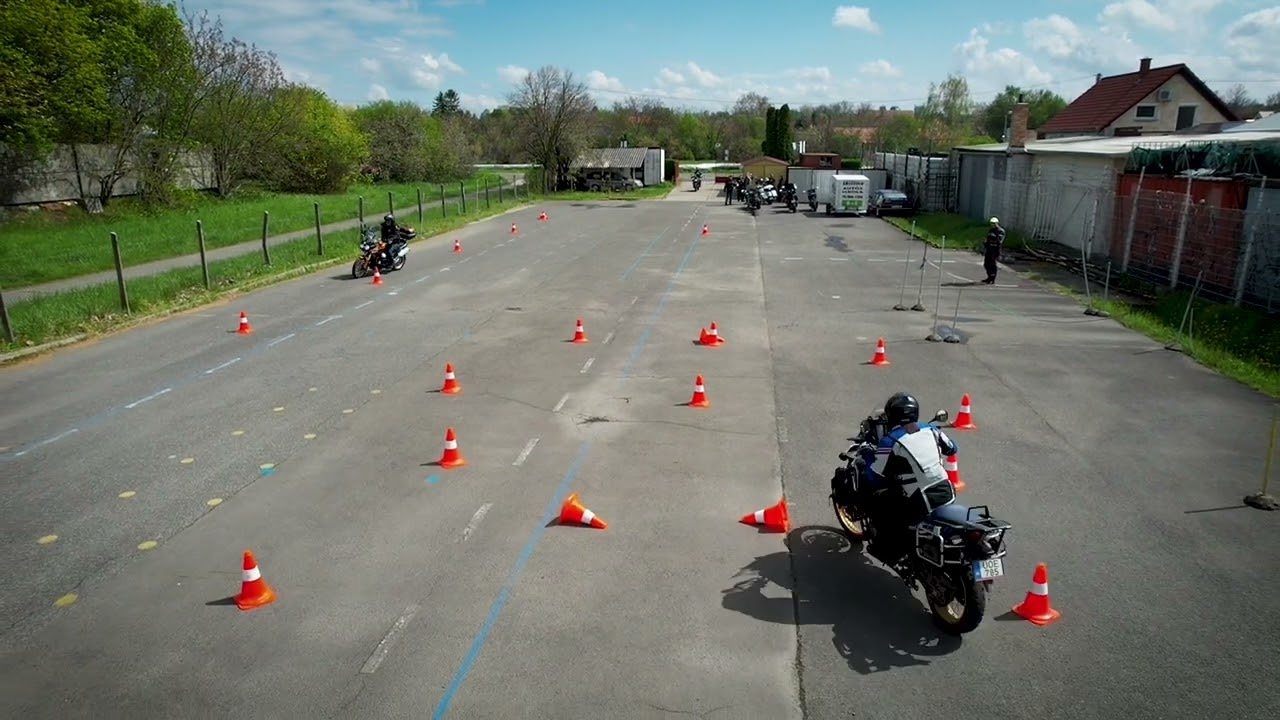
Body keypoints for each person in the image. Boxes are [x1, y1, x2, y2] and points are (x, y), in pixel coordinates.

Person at [855, 392, 959, 565]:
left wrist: (866, 455)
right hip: (947, 491)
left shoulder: (890, 441)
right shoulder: (932, 429)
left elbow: (874, 474)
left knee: (880, 505)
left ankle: (888, 551)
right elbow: (952, 448)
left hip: (920, 499)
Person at [982, 217, 1005, 284]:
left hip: (995, 249)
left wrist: (993, 237)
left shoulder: (1001, 231)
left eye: (994, 223)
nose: (992, 225)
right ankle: (989, 276)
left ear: (997, 223)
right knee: (986, 264)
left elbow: (999, 241)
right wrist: (985, 243)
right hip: (989, 249)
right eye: (991, 223)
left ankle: (993, 278)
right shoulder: (991, 230)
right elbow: (988, 239)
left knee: (992, 264)